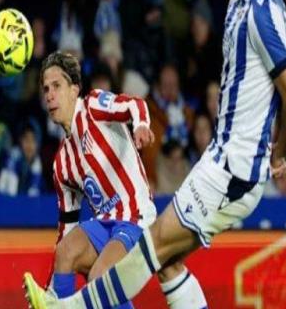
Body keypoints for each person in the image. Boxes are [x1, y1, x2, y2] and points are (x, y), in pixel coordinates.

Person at [23, 0, 286, 308]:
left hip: (234, 168)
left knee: (152, 247)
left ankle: (64, 308)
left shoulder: (262, 11)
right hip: (223, 160)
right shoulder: (240, 3)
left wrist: (279, 151)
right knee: (168, 263)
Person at [24, 51, 207, 308]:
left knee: (100, 279)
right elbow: (67, 227)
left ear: (74, 89)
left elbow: (134, 104)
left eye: (56, 86)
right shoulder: (61, 164)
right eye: (45, 89)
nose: (50, 95)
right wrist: (50, 289)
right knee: (66, 251)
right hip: (104, 225)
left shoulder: (94, 106)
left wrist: (141, 125)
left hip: (135, 218)